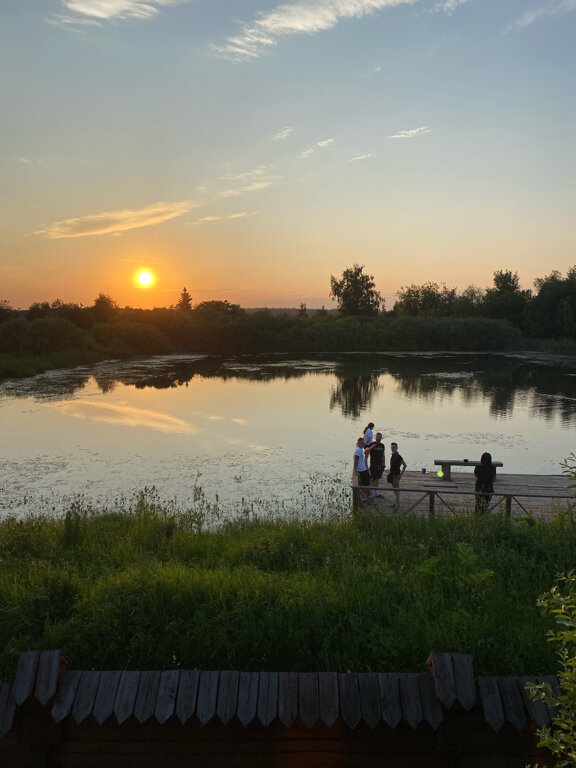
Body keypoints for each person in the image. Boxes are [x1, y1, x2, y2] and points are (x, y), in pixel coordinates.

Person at [366, 432, 385, 496]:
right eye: (377, 437)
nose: (379, 438)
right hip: (373, 464)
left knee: (377, 478)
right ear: (375, 437)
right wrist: (371, 447)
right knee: (373, 478)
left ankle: (376, 492)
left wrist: (384, 463)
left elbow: (383, 455)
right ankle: (370, 492)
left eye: (380, 437)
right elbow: (366, 452)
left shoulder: (382, 445)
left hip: (380, 464)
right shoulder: (372, 444)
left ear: (381, 438)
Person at [389, 442, 407, 509]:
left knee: (396, 489)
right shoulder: (393, 455)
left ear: (397, 448)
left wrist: (401, 475)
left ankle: (397, 504)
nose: (393, 449)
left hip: (396, 474)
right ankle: (396, 503)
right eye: (392, 447)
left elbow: (405, 465)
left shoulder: (398, 456)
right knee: (395, 489)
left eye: (394, 447)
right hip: (392, 474)